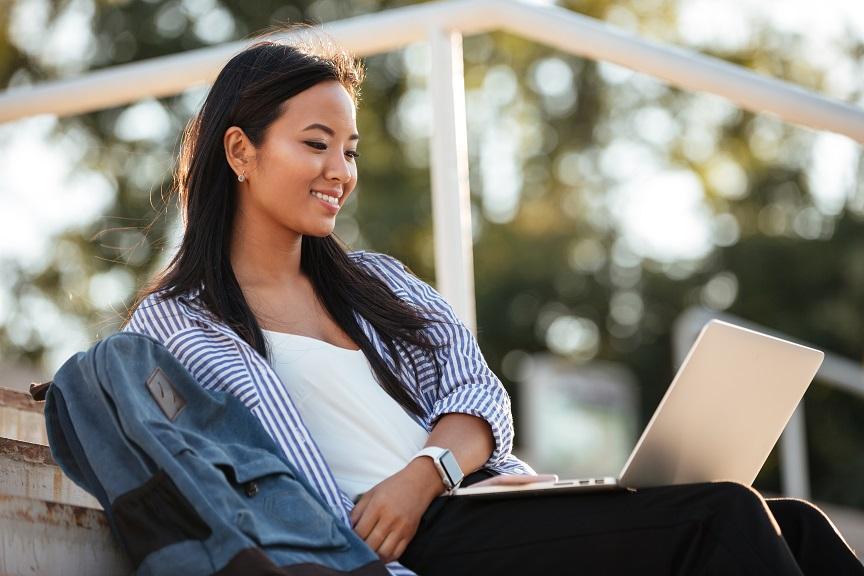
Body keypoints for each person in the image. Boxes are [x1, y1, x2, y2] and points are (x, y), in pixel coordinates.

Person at [123, 29, 864, 576]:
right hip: (385, 547)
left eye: (349, 150)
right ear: (240, 152)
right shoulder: (176, 325)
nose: (339, 171)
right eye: (316, 143)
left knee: (791, 522)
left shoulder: (376, 283)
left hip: (476, 503)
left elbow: (476, 390)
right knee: (720, 515)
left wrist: (426, 474)